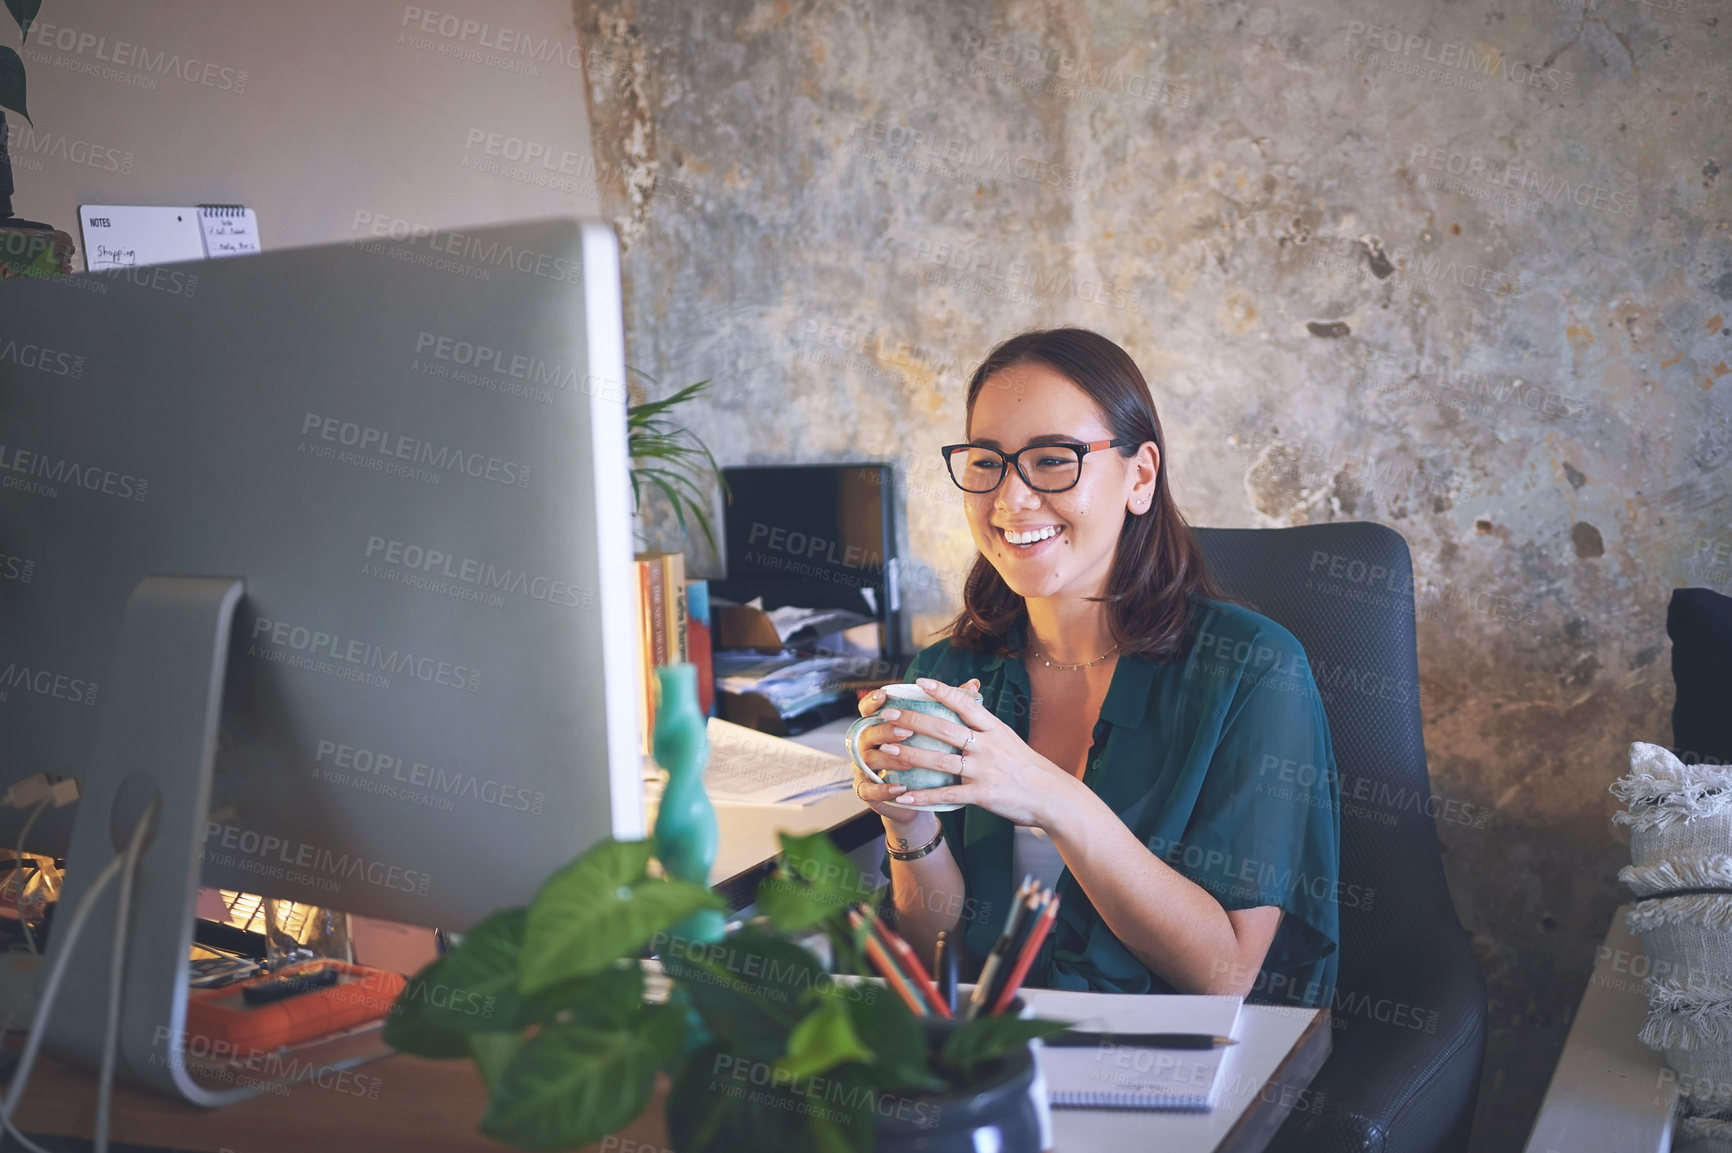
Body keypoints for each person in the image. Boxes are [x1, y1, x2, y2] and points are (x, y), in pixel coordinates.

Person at [852, 328, 1340, 1004]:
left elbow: (1224, 974)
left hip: (1177, 1074)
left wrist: (1047, 794)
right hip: (999, 1057)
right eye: (986, 460)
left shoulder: (1255, 671)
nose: (1011, 499)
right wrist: (909, 824)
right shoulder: (949, 669)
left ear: (1140, 476)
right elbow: (943, 961)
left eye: (1053, 460)